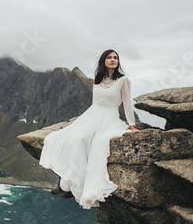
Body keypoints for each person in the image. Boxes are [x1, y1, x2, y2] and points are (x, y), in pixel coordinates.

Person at [39, 49, 140, 209]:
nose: (113, 60)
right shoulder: (98, 78)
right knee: (66, 138)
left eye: (115, 58)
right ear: (104, 61)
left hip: (109, 117)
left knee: (86, 141)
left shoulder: (123, 80)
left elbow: (127, 104)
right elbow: (95, 102)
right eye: (109, 57)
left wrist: (132, 125)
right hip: (93, 114)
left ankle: (71, 185)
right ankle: (66, 183)